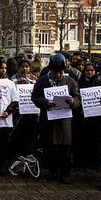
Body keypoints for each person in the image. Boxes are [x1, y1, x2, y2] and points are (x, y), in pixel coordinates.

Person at [32, 53, 81, 184]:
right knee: (50, 148)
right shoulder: (42, 81)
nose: (58, 75)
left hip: (65, 121)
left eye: (60, 72)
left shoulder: (71, 82)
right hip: (48, 120)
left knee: (65, 149)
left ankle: (65, 173)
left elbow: (78, 98)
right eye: (55, 72)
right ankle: (53, 172)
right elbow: (35, 97)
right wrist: (45, 102)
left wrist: (73, 101)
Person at [73, 63, 101, 169]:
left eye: (92, 70)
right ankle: (81, 161)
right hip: (82, 117)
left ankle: (95, 161)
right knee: (82, 139)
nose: (90, 72)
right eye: (87, 70)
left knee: (95, 140)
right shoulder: (79, 83)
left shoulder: (100, 83)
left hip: (96, 117)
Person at [10, 59, 40, 158]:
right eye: (22, 66)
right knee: (19, 134)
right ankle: (19, 156)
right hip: (19, 112)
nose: (24, 68)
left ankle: (29, 155)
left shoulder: (34, 78)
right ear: (18, 67)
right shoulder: (13, 79)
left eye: (27, 66)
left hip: (32, 112)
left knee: (31, 136)